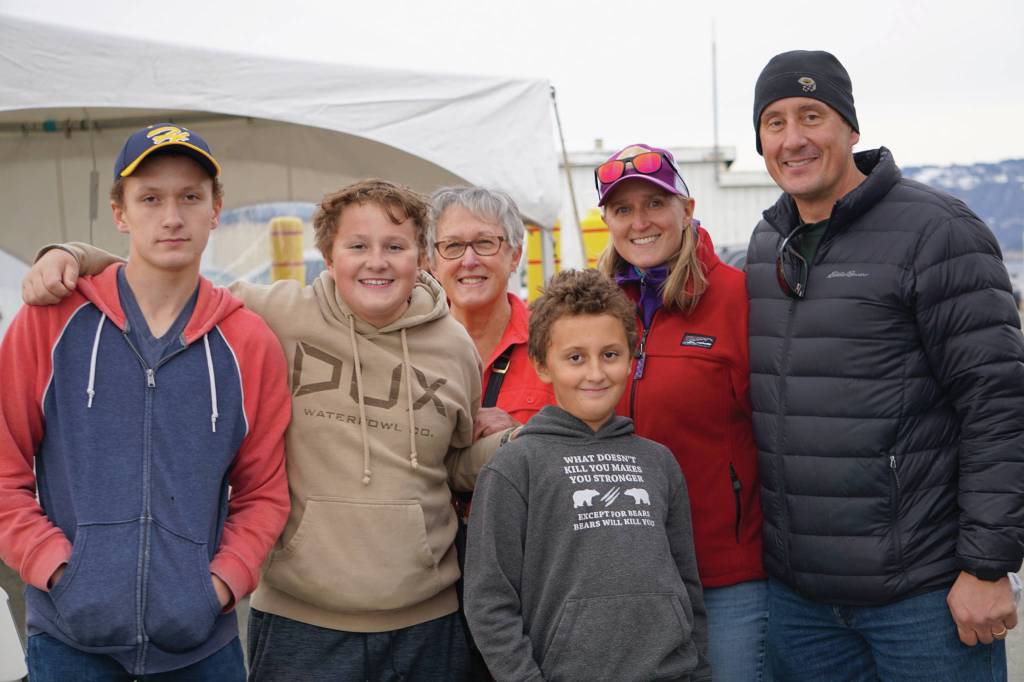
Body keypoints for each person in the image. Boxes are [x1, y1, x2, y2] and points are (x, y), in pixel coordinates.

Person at [24, 179, 511, 681]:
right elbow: (165, 279)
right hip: (301, 623)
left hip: (426, 623)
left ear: (422, 255)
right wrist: (74, 255)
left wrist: (509, 448)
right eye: (357, 246)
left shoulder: (455, 349)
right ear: (327, 253)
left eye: (395, 246)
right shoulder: (274, 314)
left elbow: (449, 464)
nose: (377, 262)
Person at [745, 49, 1024, 681]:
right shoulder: (768, 245)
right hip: (801, 605)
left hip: (922, 599)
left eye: (811, 116)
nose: (793, 139)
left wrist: (986, 567)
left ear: (850, 127)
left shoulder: (937, 232)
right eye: (774, 122)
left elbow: (999, 405)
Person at [0, 123, 291, 679]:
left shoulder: (249, 343)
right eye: (150, 198)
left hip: (202, 645)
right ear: (120, 213)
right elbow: (4, 467)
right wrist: (58, 569)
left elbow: (264, 492)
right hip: (69, 644)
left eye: (190, 197)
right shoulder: (49, 323)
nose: (172, 217)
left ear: (216, 210)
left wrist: (219, 586)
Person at [464, 268, 710, 681]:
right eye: (575, 358)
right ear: (543, 365)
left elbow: (687, 584)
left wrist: (700, 672)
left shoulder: (659, 462)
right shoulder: (513, 468)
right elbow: (489, 602)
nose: (595, 374)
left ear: (631, 361)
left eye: (610, 355)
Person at [595, 143, 768, 681]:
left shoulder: (740, 297)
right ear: (608, 222)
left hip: (726, 574)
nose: (640, 222)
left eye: (655, 203)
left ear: (686, 209)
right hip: (626, 576)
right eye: (623, 210)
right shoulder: (595, 307)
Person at [428, 186, 555, 437]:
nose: (469, 260)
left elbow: (588, 449)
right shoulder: (410, 349)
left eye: (485, 243)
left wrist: (522, 436)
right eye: (453, 246)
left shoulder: (554, 343)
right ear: (432, 263)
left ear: (515, 255)